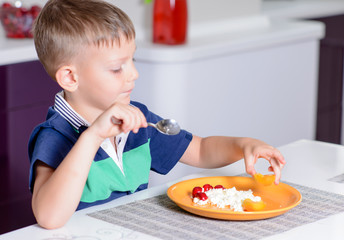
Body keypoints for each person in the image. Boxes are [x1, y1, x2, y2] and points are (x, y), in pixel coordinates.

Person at [28, 0, 285, 230]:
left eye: (133, 60)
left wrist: (244, 145)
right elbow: (49, 217)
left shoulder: (138, 117)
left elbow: (201, 149)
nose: (134, 74)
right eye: (117, 68)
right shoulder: (54, 135)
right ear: (71, 78)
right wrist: (93, 135)